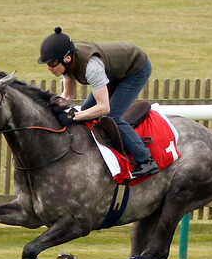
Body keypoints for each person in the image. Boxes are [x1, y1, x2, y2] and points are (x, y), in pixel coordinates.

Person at [38, 27, 159, 178]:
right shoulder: (67, 63)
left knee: (111, 116)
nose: (49, 68)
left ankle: (146, 160)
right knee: (86, 111)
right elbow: (67, 96)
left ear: (67, 58)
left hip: (135, 69)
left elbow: (103, 107)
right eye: (47, 64)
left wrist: (73, 117)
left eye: (52, 63)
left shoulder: (91, 67)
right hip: (113, 70)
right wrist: (54, 106)